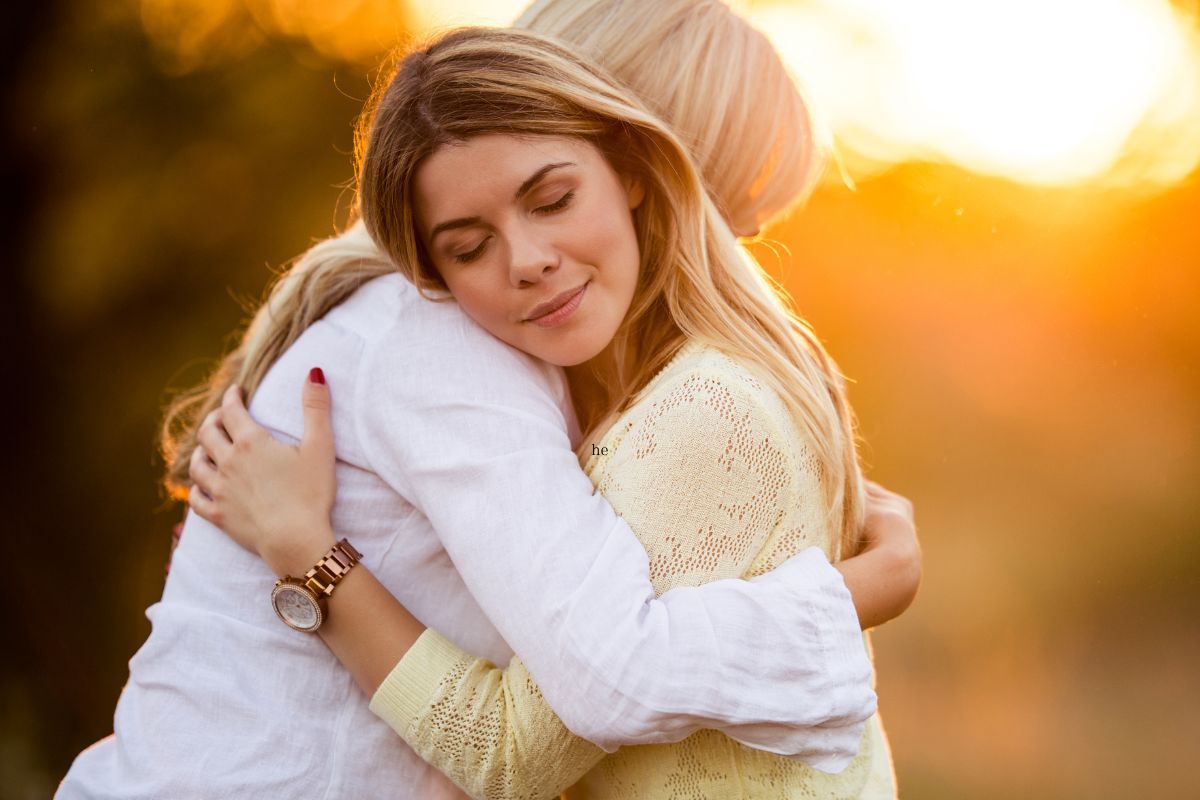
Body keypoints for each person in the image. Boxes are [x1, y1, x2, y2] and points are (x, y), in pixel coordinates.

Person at [57, 4, 919, 800]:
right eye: (729, 212)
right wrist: (852, 595)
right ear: (637, 160)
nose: (719, 252)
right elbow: (582, 697)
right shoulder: (454, 344)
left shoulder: (543, 353)